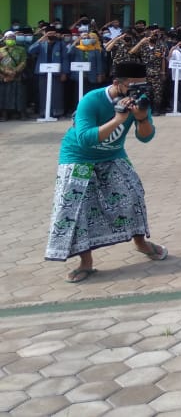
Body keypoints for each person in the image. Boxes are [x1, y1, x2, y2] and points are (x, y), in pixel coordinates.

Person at [44, 61, 168, 283]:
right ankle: (86, 263)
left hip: (112, 155)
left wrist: (140, 118)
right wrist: (118, 118)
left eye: (142, 86)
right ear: (117, 84)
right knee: (78, 207)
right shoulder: (92, 100)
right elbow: (85, 138)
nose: (138, 91)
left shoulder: (140, 101)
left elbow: (146, 137)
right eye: (133, 86)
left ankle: (141, 243)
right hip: (78, 155)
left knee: (133, 195)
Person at [0, 30, 29, 120]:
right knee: (4, 96)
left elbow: (23, 61)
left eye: (12, 38)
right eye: (8, 38)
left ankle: (22, 114)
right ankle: (4, 115)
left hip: (17, 76)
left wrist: (15, 71)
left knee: (19, 96)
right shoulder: (1, 50)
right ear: (4, 39)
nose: (10, 39)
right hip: (4, 76)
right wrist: (6, 72)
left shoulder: (21, 49)